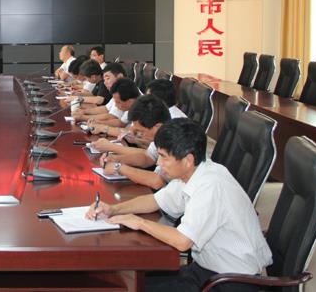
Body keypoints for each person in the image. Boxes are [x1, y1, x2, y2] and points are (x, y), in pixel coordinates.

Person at [87, 118, 272, 292]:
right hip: (207, 269)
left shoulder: (210, 185)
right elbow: (155, 201)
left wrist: (140, 222)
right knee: (129, 280)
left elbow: (182, 241)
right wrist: (113, 209)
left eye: (164, 157)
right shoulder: (191, 173)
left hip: (229, 281)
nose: (159, 163)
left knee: (131, 286)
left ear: (188, 160)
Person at [93, 95, 171, 190]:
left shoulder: (173, 140)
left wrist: (118, 167)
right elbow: (148, 157)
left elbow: (158, 181)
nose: (140, 136)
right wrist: (117, 159)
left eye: (141, 132)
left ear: (157, 126)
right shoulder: (161, 134)